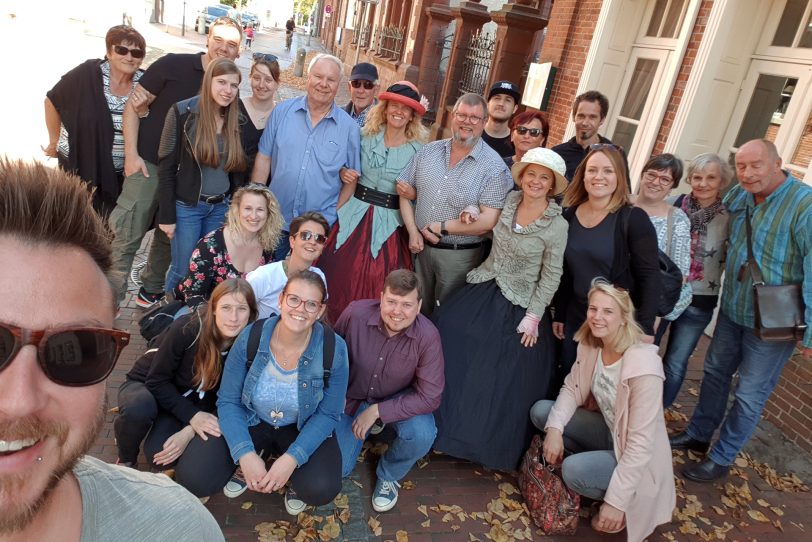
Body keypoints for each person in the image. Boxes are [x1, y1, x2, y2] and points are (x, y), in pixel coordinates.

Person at [0, 158, 223, 540]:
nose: (19, 400)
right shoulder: (186, 330)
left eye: (76, 350)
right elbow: (157, 380)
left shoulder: (177, 530)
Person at [670, 139, 812, 483]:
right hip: (734, 308)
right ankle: (700, 433)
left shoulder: (804, 205)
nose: (748, 174)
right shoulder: (740, 197)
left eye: (756, 165)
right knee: (715, 374)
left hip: (775, 320)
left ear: (778, 164)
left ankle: (722, 456)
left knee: (749, 392)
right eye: (743, 167)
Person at [432, 147, 568, 471]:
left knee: (507, 365)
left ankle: (481, 441)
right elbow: (484, 213)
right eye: (531, 174)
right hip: (486, 283)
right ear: (522, 177)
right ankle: (441, 427)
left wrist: (534, 316)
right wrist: (469, 209)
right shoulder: (508, 201)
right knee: (448, 329)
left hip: (521, 302)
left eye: (543, 177)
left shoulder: (556, 225)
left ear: (551, 185)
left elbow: (552, 275)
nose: (535, 181)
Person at [180, 271, 348, 515]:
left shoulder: (334, 349)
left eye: (311, 304)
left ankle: (291, 473)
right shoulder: (252, 336)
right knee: (194, 477)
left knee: (320, 488)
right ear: (281, 300)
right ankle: (256, 453)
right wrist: (244, 453)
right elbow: (228, 400)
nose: (300, 309)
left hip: (301, 425)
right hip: (253, 419)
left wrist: (292, 458)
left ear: (320, 310)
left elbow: (330, 414)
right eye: (294, 299)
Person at [108, 16, 243, 309]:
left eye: (232, 44)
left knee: (166, 237)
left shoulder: (230, 96)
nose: (223, 47)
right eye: (218, 39)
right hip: (151, 166)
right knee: (129, 232)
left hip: (189, 181)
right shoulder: (173, 65)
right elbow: (134, 107)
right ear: (208, 37)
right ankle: (109, 302)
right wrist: (132, 154)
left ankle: (152, 288)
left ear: (239, 51)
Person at [531, 281, 675, 541]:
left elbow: (641, 446)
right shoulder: (593, 345)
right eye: (593, 308)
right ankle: (595, 465)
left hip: (636, 455)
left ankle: (624, 501)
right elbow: (572, 389)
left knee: (573, 470)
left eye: (608, 311)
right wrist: (554, 431)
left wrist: (616, 503)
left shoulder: (644, 367)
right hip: (609, 432)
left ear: (623, 318)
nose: (597, 317)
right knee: (543, 412)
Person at [114, 279, 257, 472]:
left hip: (183, 399)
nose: (233, 317)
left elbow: (227, 398)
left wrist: (190, 429)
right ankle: (126, 458)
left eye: (241, 309)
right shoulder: (188, 329)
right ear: (214, 308)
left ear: (250, 314)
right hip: (148, 386)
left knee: (160, 456)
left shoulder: (246, 346)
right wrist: (193, 416)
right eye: (226, 308)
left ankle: (154, 425)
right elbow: (156, 381)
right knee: (139, 409)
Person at [334, 270, 444, 512]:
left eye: (406, 304)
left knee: (423, 433)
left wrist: (378, 410)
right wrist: (334, 391)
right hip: (351, 397)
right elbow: (330, 352)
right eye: (391, 301)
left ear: (419, 306)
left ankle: (388, 474)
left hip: (395, 399)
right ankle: (362, 428)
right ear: (381, 297)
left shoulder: (427, 336)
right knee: (338, 468)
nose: (397, 311)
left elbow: (430, 396)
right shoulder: (355, 313)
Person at [318, 81, 429, 318]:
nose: (398, 112)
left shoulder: (420, 150)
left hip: (391, 223)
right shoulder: (364, 136)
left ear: (412, 116)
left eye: (405, 108)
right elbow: (348, 173)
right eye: (394, 106)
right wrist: (341, 177)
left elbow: (424, 190)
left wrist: (414, 194)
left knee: (381, 281)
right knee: (338, 272)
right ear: (385, 108)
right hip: (353, 213)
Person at [398, 92, 513, 315]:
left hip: (458, 258)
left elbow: (489, 221)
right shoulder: (429, 151)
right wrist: (413, 231)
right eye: (462, 115)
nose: (466, 122)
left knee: (448, 317)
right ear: (453, 116)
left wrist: (442, 226)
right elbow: (404, 189)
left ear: (484, 122)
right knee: (413, 312)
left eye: (474, 118)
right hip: (419, 250)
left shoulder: (494, 167)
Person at [552, 145, 659, 382]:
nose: (599, 177)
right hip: (577, 315)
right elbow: (566, 271)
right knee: (569, 378)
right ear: (583, 175)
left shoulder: (633, 219)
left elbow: (650, 275)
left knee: (602, 385)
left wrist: (646, 327)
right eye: (592, 170)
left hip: (614, 322)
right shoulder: (569, 215)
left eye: (608, 171)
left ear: (619, 176)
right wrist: (559, 312)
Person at [250, 53, 361, 261]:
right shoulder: (281, 112)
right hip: (275, 219)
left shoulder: (350, 129)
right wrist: (256, 204)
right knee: (266, 280)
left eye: (331, 79)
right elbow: (264, 158)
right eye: (318, 76)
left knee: (304, 286)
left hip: (316, 229)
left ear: (339, 85)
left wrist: (333, 214)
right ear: (308, 78)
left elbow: (351, 180)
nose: (323, 84)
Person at [157, 58, 248, 296]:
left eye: (234, 85)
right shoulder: (182, 112)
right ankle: (167, 320)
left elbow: (239, 171)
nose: (227, 91)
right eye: (221, 82)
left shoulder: (237, 119)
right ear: (209, 81)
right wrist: (166, 215)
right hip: (188, 207)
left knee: (208, 269)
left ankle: (194, 322)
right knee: (183, 269)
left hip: (220, 208)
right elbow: (166, 168)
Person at [43, 25, 146, 218]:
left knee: (108, 223)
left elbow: (152, 125)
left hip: (118, 172)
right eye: (122, 50)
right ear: (109, 52)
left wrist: (144, 111)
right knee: (74, 217)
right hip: (79, 162)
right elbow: (52, 100)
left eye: (136, 53)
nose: (129, 57)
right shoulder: (87, 73)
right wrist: (53, 140)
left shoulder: (146, 84)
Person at [660, 153, 732, 407]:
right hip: (664, 294)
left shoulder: (729, 219)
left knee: (676, 362)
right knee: (646, 353)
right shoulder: (672, 204)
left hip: (700, 299)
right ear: (689, 178)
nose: (703, 183)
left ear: (722, 181)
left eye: (710, 177)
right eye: (697, 177)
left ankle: (659, 412)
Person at [176, 184, 283, 307]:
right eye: (248, 208)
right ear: (237, 210)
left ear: (269, 213)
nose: (254, 216)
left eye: (260, 209)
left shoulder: (268, 245)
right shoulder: (210, 246)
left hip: (243, 313)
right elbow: (193, 295)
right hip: (204, 311)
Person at [631, 154, 692, 338]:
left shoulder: (676, 219)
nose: (655, 182)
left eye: (665, 179)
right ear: (642, 175)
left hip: (646, 308)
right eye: (651, 175)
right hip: (609, 299)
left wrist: (655, 314)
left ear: (672, 186)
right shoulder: (619, 204)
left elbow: (679, 274)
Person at [247, 212, 329, 319]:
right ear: (292, 241)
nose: (313, 242)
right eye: (305, 235)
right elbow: (239, 312)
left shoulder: (319, 277)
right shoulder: (263, 276)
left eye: (319, 238)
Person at [551, 90, 616, 181]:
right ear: (574, 117)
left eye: (592, 117)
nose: (585, 123)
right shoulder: (557, 154)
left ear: (602, 120)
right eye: (581, 116)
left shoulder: (614, 153)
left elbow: (623, 192)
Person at [240, 53, 281, 173]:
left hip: (263, 188)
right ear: (250, 78)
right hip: (231, 186)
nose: (261, 85)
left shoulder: (281, 116)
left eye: (268, 80)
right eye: (257, 78)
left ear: (277, 83)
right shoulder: (234, 108)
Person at [481, 80, 521, 158]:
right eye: (497, 98)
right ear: (488, 104)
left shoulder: (516, 143)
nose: (501, 104)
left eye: (508, 100)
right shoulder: (474, 134)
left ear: (515, 109)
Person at [344, 62, 380, 127]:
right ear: (349, 87)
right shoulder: (338, 116)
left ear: (376, 89)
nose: (361, 91)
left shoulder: (384, 120)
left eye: (368, 85)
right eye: (356, 84)